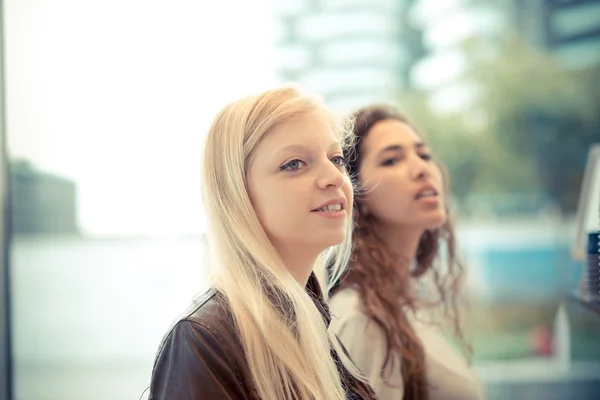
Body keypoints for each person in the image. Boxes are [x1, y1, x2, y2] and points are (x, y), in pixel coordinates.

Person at [148, 86, 376, 400]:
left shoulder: (311, 320)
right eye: (294, 164)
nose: (334, 177)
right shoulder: (203, 341)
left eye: (335, 158)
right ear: (238, 194)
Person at [329, 104, 485, 400]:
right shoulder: (359, 317)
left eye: (424, 155)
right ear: (355, 193)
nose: (422, 168)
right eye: (391, 160)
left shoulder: (396, 306)